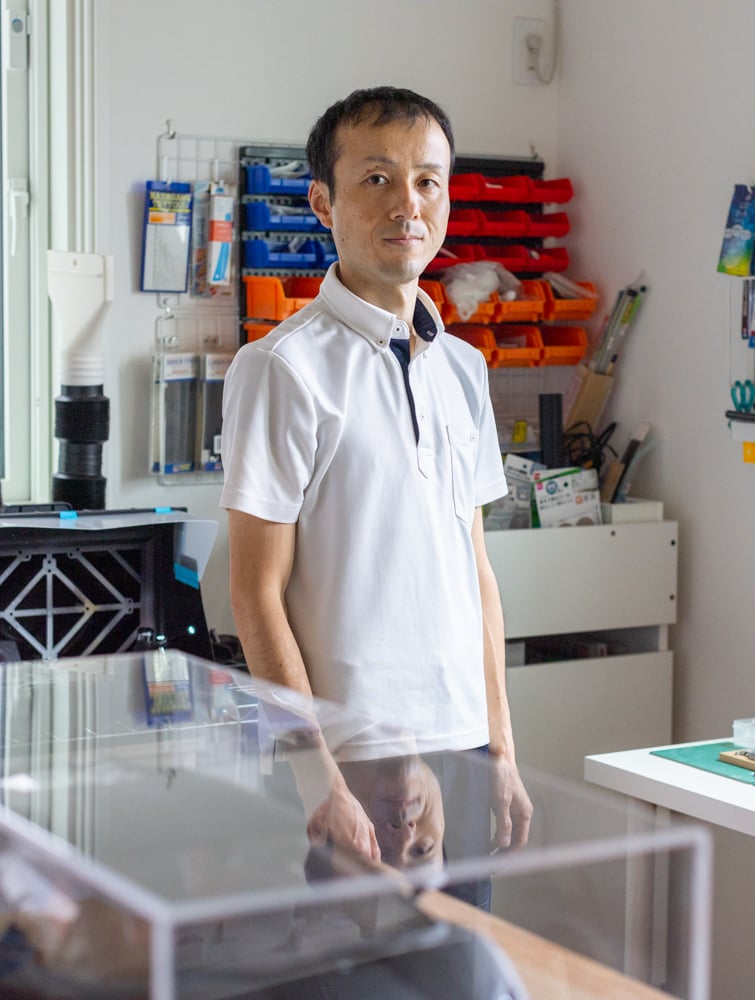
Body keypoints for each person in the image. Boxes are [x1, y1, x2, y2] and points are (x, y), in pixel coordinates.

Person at [220, 86, 533, 874]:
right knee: (358, 952)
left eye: (427, 181)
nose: (407, 205)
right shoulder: (280, 368)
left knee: (466, 949)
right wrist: (315, 776)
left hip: (461, 743)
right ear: (322, 202)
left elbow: (475, 573)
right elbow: (255, 592)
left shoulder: (462, 369)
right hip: (350, 758)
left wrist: (500, 747)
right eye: (377, 179)